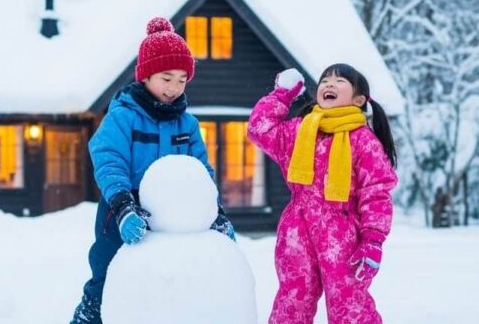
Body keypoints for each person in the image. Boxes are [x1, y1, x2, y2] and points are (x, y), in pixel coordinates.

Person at [70, 17, 236, 324]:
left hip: (173, 213)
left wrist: (216, 213)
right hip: (123, 207)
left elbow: (201, 172)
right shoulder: (123, 116)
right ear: (145, 75)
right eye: (166, 77)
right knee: (108, 273)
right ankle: (89, 317)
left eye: (182, 79)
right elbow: (108, 158)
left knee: (167, 280)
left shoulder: (187, 124)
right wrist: (122, 206)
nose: (174, 87)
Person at [248, 63, 398, 324]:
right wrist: (281, 95)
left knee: (348, 300)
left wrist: (373, 240)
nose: (329, 84)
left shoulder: (362, 140)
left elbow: (376, 192)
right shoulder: (299, 131)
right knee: (293, 298)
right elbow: (260, 129)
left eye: (340, 81)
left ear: (358, 99)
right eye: (325, 80)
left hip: (342, 233)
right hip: (297, 229)